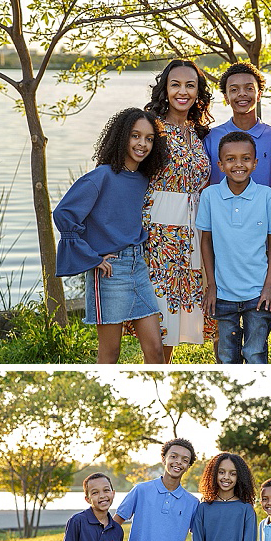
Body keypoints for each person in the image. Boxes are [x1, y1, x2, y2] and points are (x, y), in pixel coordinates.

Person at [53, 107, 168, 364]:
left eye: (149, 138)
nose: (142, 144)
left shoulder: (141, 179)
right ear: (121, 137)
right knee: (110, 354)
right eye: (136, 136)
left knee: (156, 351)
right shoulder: (101, 176)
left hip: (138, 268)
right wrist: (91, 257)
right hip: (109, 272)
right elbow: (64, 214)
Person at [143, 59, 214, 360]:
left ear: (198, 93)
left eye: (190, 85)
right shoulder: (151, 129)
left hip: (194, 235)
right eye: (175, 85)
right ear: (165, 89)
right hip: (159, 235)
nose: (182, 91)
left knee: (173, 328)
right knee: (156, 330)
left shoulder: (199, 134)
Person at [197, 131, 271, 363]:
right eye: (230, 159)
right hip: (223, 293)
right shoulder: (209, 196)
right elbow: (205, 241)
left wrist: (269, 286)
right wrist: (212, 286)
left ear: (255, 163)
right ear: (220, 165)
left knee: (255, 353)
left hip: (258, 293)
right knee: (227, 356)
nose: (238, 164)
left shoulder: (267, 196)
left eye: (245, 158)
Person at [204, 61, 271, 189]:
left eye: (249, 88)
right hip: (221, 209)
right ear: (226, 98)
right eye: (234, 90)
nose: (242, 93)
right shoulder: (211, 138)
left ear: (259, 95)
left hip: (266, 208)